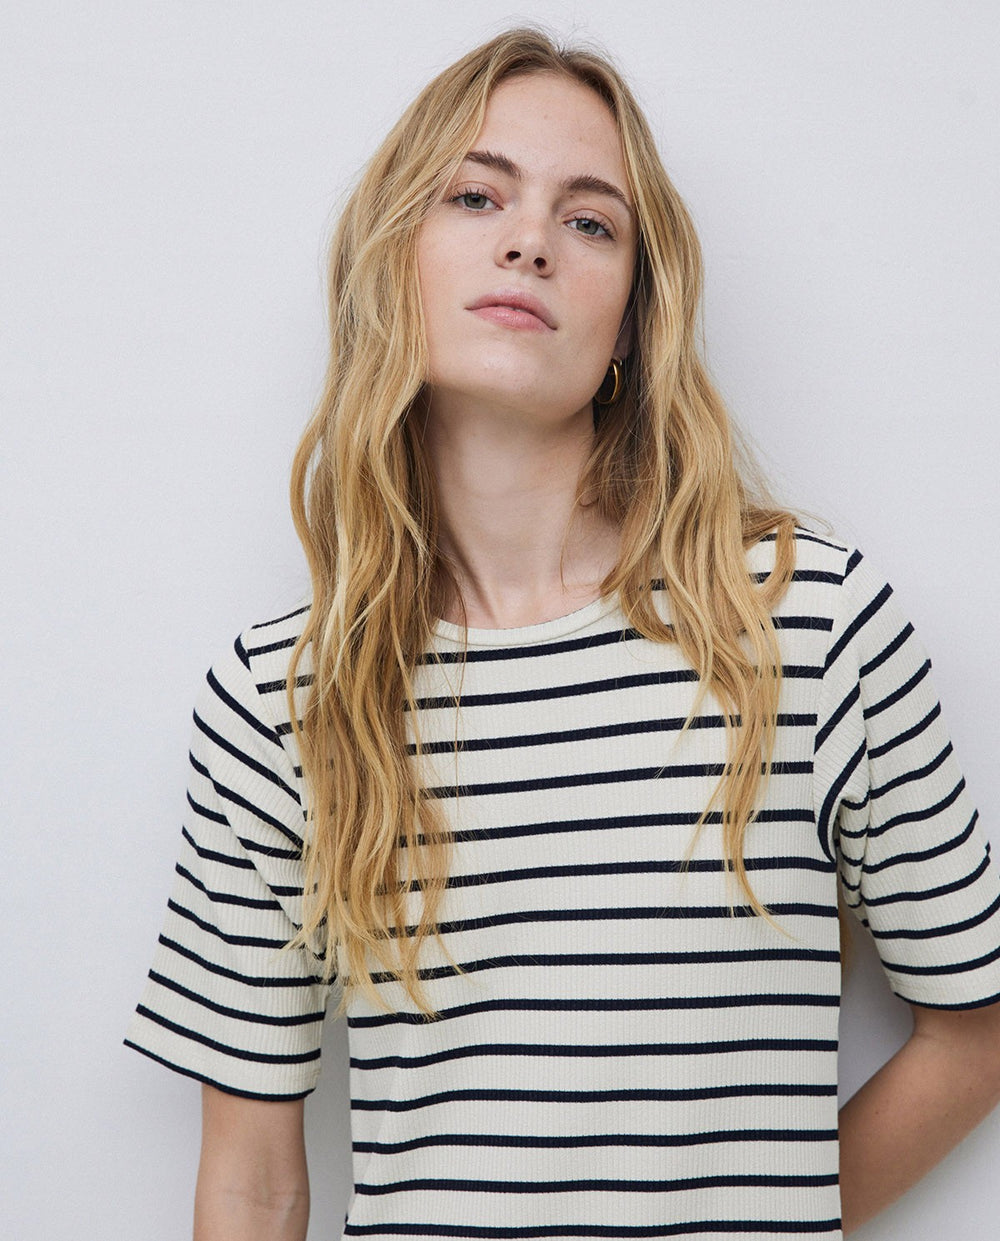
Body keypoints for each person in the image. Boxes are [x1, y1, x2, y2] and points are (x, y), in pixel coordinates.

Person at [124, 26, 1000, 1241]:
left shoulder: (809, 623)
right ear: (393, 261)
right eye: (476, 196)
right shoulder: (284, 694)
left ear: (633, 318)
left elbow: (975, 1030)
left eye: (590, 222)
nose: (529, 240)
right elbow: (253, 1180)